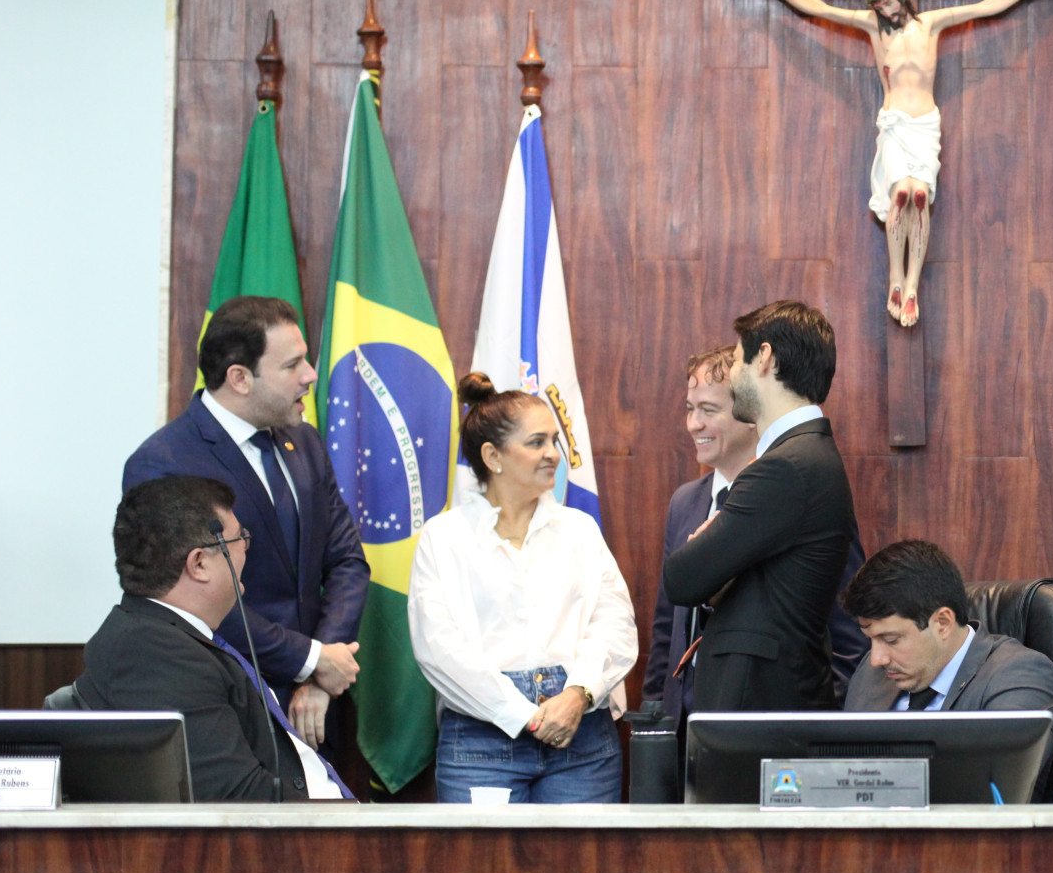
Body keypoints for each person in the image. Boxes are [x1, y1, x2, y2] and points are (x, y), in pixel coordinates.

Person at [742, 0, 1053, 328]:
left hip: (924, 124)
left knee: (920, 195)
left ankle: (911, 287)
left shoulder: (932, 24)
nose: (886, 12)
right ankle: (895, 278)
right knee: (901, 196)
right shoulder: (873, 27)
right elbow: (820, 9)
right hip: (893, 123)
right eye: (879, 7)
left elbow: (987, 8)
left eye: (889, 3)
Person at [122, 295, 367, 748]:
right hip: (224, 708)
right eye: (292, 365)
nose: (311, 376)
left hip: (317, 707)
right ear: (239, 378)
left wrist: (321, 673)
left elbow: (348, 561)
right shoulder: (164, 463)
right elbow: (191, 597)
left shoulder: (306, 442)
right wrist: (309, 659)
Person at [408, 374, 639, 803]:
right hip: (481, 740)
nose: (554, 453)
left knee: (584, 871)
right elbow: (438, 648)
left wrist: (576, 695)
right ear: (492, 456)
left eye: (554, 440)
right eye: (537, 442)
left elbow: (616, 626)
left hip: (582, 734)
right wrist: (523, 715)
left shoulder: (579, 530)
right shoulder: (444, 537)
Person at [74, 476, 352, 801]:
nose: (247, 549)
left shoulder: (163, 633)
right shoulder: (159, 654)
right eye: (239, 540)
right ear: (200, 564)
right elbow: (238, 801)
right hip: (315, 839)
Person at [641, 345, 868, 719]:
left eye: (709, 410)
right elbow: (668, 625)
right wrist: (656, 715)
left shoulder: (798, 492)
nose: (693, 424)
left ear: (748, 414)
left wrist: (832, 723)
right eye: (689, 408)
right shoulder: (684, 502)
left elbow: (846, 627)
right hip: (686, 723)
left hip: (764, 721)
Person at [839, 540, 1053, 712]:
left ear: (943, 623)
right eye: (871, 638)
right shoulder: (871, 672)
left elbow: (996, 771)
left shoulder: (1016, 675)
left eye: (891, 640)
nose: (877, 658)